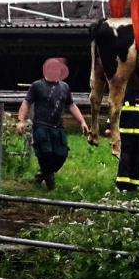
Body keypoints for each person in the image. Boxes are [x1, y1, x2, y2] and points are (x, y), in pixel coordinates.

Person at [17, 57, 93, 191]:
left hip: (58, 128)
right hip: (41, 126)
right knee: (45, 153)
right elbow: (26, 103)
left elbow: (71, 105)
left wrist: (82, 121)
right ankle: (50, 186)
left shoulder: (64, 87)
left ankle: (41, 175)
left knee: (61, 155)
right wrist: (21, 121)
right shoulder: (37, 85)